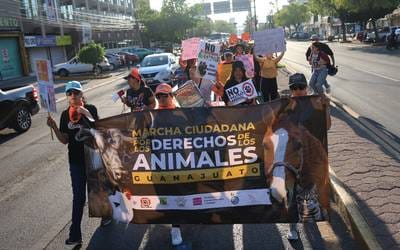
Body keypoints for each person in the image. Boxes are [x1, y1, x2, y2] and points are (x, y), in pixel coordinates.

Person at [46, 81, 99, 246]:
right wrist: (54, 127)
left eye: (76, 93)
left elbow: (99, 130)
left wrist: (86, 113)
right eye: (70, 93)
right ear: (67, 96)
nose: (73, 96)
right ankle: (75, 234)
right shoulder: (64, 115)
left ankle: (106, 215)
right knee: (78, 198)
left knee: (98, 192)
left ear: (81, 94)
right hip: (76, 162)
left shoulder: (91, 109)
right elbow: (64, 140)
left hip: (92, 159)